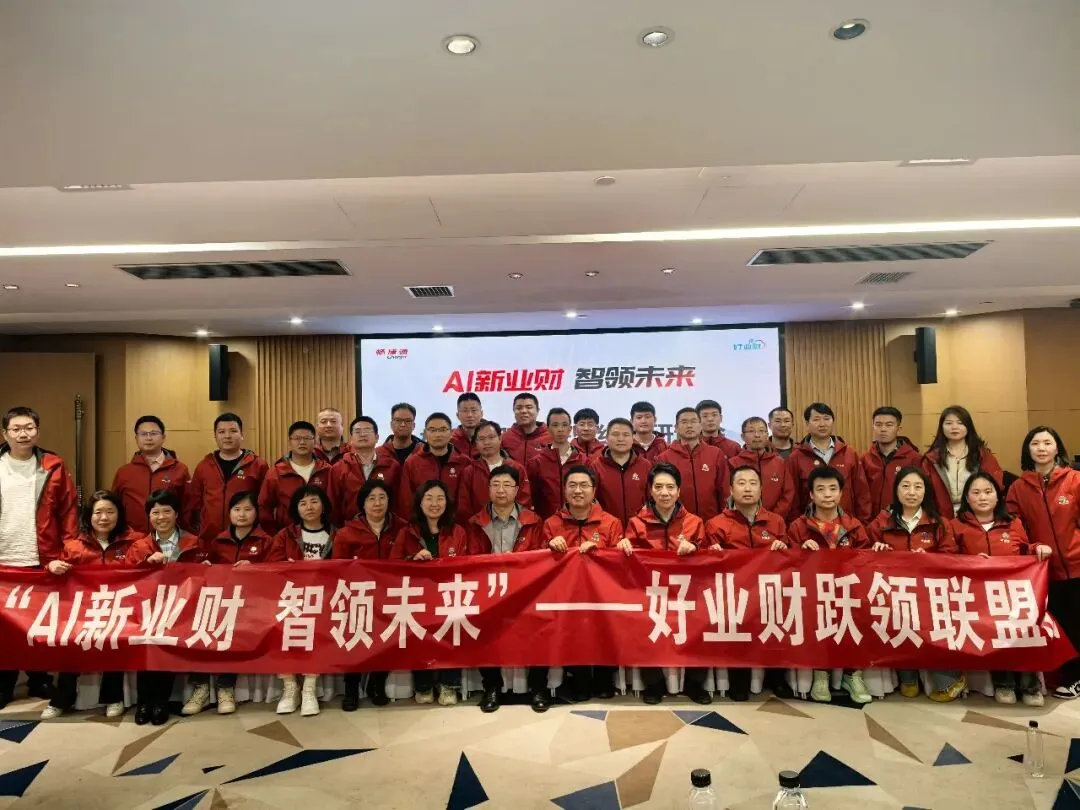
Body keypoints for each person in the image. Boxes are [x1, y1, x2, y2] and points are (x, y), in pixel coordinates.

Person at [42, 490, 146, 720]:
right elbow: (57, 576)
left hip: (121, 610)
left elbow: (145, 570)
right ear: (89, 516)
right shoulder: (74, 547)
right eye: (98, 512)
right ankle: (61, 699)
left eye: (110, 511)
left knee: (114, 638)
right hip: (84, 611)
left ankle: (113, 697)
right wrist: (52, 566)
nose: (104, 517)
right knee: (71, 640)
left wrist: (153, 560)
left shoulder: (135, 542)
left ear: (119, 514)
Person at [0, 406, 76, 708]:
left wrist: (66, 553)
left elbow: (68, 511)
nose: (23, 434)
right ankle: (4, 683)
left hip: (41, 557)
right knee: (4, 626)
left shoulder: (52, 465)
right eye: (16, 428)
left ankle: (39, 678)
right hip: (3, 559)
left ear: (37, 431)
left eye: (29, 427)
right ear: (5, 433)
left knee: (37, 621)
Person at [866, 467, 963, 702]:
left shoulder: (939, 523)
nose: (911, 492)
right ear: (896, 490)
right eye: (906, 486)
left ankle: (950, 679)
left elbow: (951, 556)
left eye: (918, 487)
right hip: (895, 593)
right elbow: (865, 554)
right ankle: (907, 677)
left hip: (931, 592)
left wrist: (929, 559)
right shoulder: (882, 522)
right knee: (898, 624)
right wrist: (877, 550)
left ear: (926, 491)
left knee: (934, 627)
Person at [620, 463, 711, 706]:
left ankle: (694, 684)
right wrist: (623, 546)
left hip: (688, 593)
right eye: (658, 487)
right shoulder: (637, 523)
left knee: (702, 622)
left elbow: (709, 557)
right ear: (651, 490)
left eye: (670, 487)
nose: (664, 492)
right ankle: (654, 684)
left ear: (679, 491)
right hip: (651, 593)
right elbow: (627, 557)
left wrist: (695, 548)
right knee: (641, 625)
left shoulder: (694, 522)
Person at [954, 472, 1044, 706]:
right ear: (967, 498)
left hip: (1013, 593)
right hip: (977, 596)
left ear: (997, 496)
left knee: (1024, 633)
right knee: (994, 634)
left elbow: (1025, 549)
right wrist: (971, 562)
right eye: (976, 492)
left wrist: (1038, 548)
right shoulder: (956, 525)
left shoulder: (1013, 523)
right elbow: (947, 558)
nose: (982, 497)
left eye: (988, 491)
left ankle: (1030, 685)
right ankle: (1004, 683)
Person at [182, 491, 275, 717]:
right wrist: (206, 566)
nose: (242, 514)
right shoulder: (218, 541)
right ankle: (201, 688)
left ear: (256, 513)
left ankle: (225, 688)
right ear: (229, 513)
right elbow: (209, 570)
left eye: (248, 509)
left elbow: (276, 572)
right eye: (237, 509)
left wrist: (256, 569)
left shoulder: (266, 541)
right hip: (220, 602)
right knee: (198, 627)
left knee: (231, 631)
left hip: (252, 604)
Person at [704, 466, 791, 701]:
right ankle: (738, 681)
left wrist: (783, 548)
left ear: (761, 489)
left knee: (775, 627)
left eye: (753, 483)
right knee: (737, 631)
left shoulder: (776, 522)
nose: (748, 488)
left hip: (768, 592)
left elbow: (790, 560)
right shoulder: (717, 524)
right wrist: (713, 553)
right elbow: (708, 563)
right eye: (741, 483)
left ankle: (777, 679)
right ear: (731, 490)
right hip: (734, 594)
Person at [787, 467, 872, 705]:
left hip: (848, 592)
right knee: (817, 624)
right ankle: (821, 675)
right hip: (813, 593)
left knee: (856, 624)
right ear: (811, 495)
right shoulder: (798, 527)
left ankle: (852, 675)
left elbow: (866, 560)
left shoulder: (854, 526)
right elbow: (787, 563)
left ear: (841, 493)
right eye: (821, 489)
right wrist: (801, 551)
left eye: (833, 489)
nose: (827, 494)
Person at [1006, 426, 1080, 699]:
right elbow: (1014, 529)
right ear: (1028, 449)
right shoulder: (1019, 487)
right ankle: (1067, 676)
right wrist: (1033, 547)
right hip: (1043, 571)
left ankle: (1076, 678)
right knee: (1059, 626)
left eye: (1047, 443)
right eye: (1035, 443)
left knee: (1077, 623)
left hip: (1077, 565)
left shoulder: (1075, 480)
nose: (1041, 448)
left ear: (1057, 447)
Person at [465, 466, 546, 713]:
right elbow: (470, 559)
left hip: (526, 589)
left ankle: (538, 687)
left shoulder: (533, 521)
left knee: (540, 629)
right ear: (488, 489)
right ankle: (492, 687)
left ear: (517, 489)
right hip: (487, 591)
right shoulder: (475, 522)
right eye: (496, 484)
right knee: (483, 631)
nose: (501, 490)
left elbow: (541, 557)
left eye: (507, 485)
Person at [543, 465, 624, 701]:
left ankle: (604, 679)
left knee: (606, 627)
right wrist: (550, 546)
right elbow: (539, 563)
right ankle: (578, 679)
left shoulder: (611, 523)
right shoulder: (551, 524)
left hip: (602, 595)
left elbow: (620, 561)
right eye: (572, 485)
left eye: (584, 486)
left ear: (594, 490)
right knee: (571, 631)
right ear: (564, 490)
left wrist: (602, 551)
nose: (578, 491)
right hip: (565, 596)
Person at [391, 480, 468, 706]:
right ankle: (423, 685)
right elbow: (392, 564)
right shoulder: (407, 532)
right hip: (418, 597)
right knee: (418, 636)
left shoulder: (458, 531)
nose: (435, 504)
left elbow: (468, 564)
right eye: (429, 498)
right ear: (420, 502)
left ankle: (449, 685)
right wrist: (412, 560)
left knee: (452, 635)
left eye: (440, 498)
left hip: (449, 596)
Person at [132, 489, 204, 725]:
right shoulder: (140, 545)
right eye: (155, 513)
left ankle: (161, 702)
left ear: (176, 514)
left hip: (181, 608)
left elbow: (204, 574)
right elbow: (126, 576)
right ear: (148, 516)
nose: (161, 517)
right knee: (145, 648)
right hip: (147, 609)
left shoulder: (193, 542)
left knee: (167, 647)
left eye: (166, 511)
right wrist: (145, 563)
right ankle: (144, 702)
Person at [332, 479, 405, 710]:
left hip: (390, 594)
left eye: (382, 498)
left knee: (387, 639)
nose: (377, 503)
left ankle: (377, 683)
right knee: (355, 642)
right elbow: (337, 568)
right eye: (371, 498)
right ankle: (351, 689)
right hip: (358, 597)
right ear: (362, 504)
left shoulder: (402, 528)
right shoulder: (346, 533)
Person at [268, 484, 336, 718]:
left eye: (314, 501)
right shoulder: (285, 535)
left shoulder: (336, 534)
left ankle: (309, 688)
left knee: (317, 629)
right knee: (281, 630)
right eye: (303, 503)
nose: (309, 507)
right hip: (290, 597)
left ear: (324, 506)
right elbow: (272, 566)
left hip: (324, 598)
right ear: (296, 509)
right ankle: (289, 688)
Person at [182, 412, 269, 543]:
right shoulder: (204, 466)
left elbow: (265, 504)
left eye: (233, 431)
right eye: (221, 432)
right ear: (215, 436)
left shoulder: (258, 465)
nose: (227, 436)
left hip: (247, 540)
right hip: (209, 540)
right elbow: (193, 504)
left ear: (242, 434)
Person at [787, 402, 871, 523]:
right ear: (807, 424)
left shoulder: (849, 453)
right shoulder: (796, 457)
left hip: (846, 525)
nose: (822, 424)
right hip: (810, 525)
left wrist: (862, 523)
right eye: (816, 419)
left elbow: (862, 493)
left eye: (826, 419)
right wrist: (797, 527)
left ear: (832, 422)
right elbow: (793, 499)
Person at [111, 415, 190, 534]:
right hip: (131, 538)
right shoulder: (124, 472)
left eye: (153, 433)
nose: (148, 438)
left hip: (168, 538)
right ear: (136, 438)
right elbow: (114, 506)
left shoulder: (180, 469)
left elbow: (188, 508)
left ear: (163, 437)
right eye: (143, 434)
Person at [922, 406, 1004, 519]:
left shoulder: (982, 456)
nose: (954, 427)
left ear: (968, 426)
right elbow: (924, 491)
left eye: (960, 423)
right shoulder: (931, 459)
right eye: (949, 423)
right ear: (942, 427)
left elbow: (995, 486)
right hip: (940, 517)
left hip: (976, 515)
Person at [258, 421, 334, 534]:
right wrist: (274, 536)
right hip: (287, 536)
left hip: (323, 534)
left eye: (307, 438)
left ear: (315, 441)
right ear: (289, 442)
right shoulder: (276, 472)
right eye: (297, 438)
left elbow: (334, 504)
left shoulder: (327, 470)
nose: (302, 442)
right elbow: (264, 507)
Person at [657, 407, 725, 522]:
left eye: (693, 421)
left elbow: (724, 490)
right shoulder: (664, 458)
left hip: (712, 522)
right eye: (684, 422)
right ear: (676, 428)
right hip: (678, 523)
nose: (689, 426)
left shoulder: (715, 454)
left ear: (700, 425)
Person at [398, 413, 470, 520]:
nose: (437, 434)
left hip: (456, 526)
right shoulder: (412, 463)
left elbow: (467, 502)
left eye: (442, 430)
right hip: (421, 526)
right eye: (432, 430)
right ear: (425, 433)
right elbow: (406, 502)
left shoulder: (464, 462)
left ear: (451, 433)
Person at [457, 420, 532, 522]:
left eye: (491, 437)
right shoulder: (469, 471)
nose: (486, 442)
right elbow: (464, 508)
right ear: (476, 443)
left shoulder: (517, 468)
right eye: (481, 439)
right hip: (478, 528)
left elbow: (524, 502)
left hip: (513, 527)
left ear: (500, 439)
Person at [332, 416, 401, 524]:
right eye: (358, 431)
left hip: (386, 527)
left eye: (367, 430)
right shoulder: (339, 468)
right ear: (351, 438)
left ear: (377, 437)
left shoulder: (392, 466)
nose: (362, 434)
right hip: (351, 527)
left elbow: (398, 502)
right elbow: (333, 504)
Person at [590, 417, 651, 529]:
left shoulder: (645, 465)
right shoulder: (596, 466)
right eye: (615, 434)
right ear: (606, 438)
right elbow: (592, 502)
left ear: (633, 438)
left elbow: (651, 501)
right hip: (607, 530)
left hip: (639, 529)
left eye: (626, 435)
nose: (621, 439)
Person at [727, 416, 794, 516]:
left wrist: (773, 518)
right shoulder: (733, 463)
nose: (757, 435)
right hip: (741, 519)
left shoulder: (779, 463)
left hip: (775, 520)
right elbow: (728, 494)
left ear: (767, 435)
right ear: (742, 436)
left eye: (761, 431)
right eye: (751, 431)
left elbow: (788, 493)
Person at [861, 406, 921, 518]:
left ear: (899, 429)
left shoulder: (914, 458)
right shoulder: (865, 459)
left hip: (903, 519)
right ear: (873, 427)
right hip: (872, 521)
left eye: (889, 425)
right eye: (878, 425)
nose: (883, 429)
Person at [527, 408, 586, 519]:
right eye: (555, 425)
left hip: (578, 522)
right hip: (546, 523)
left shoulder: (584, 461)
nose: (560, 429)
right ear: (548, 429)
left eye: (564, 425)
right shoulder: (536, 463)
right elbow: (531, 499)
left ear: (570, 429)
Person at [502, 393, 550, 468]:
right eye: (519, 408)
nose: (524, 411)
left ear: (537, 410)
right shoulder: (504, 438)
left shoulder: (551, 437)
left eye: (529, 407)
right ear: (513, 411)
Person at [451, 392, 484, 457]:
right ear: (457, 415)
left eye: (474, 410)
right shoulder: (450, 439)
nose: (469, 415)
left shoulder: (492, 438)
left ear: (481, 413)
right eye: (465, 411)